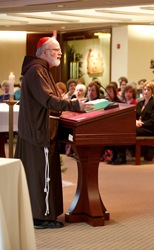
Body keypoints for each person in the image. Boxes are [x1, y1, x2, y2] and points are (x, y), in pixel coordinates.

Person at [15, 36, 86, 229]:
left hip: (36, 130)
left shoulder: (39, 70)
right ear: (45, 52)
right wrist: (73, 104)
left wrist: (62, 100)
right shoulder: (37, 71)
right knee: (40, 174)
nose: (60, 53)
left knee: (38, 173)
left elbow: (48, 98)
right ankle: (41, 217)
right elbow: (47, 99)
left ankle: (40, 214)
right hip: (38, 132)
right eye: (56, 50)